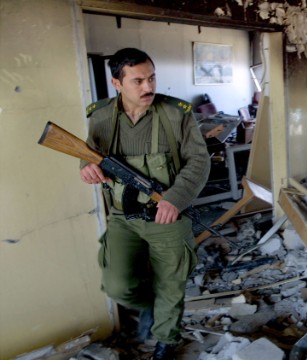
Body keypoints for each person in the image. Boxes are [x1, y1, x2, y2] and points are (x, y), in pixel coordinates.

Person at [80, 48, 210, 359]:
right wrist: (85, 169)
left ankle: (166, 340)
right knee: (117, 285)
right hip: (123, 218)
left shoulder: (177, 113)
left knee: (171, 284)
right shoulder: (100, 116)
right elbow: (88, 156)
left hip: (167, 218)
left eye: (151, 78)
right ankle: (148, 307)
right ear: (116, 83)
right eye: (137, 81)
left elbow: (199, 161)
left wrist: (175, 199)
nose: (148, 87)